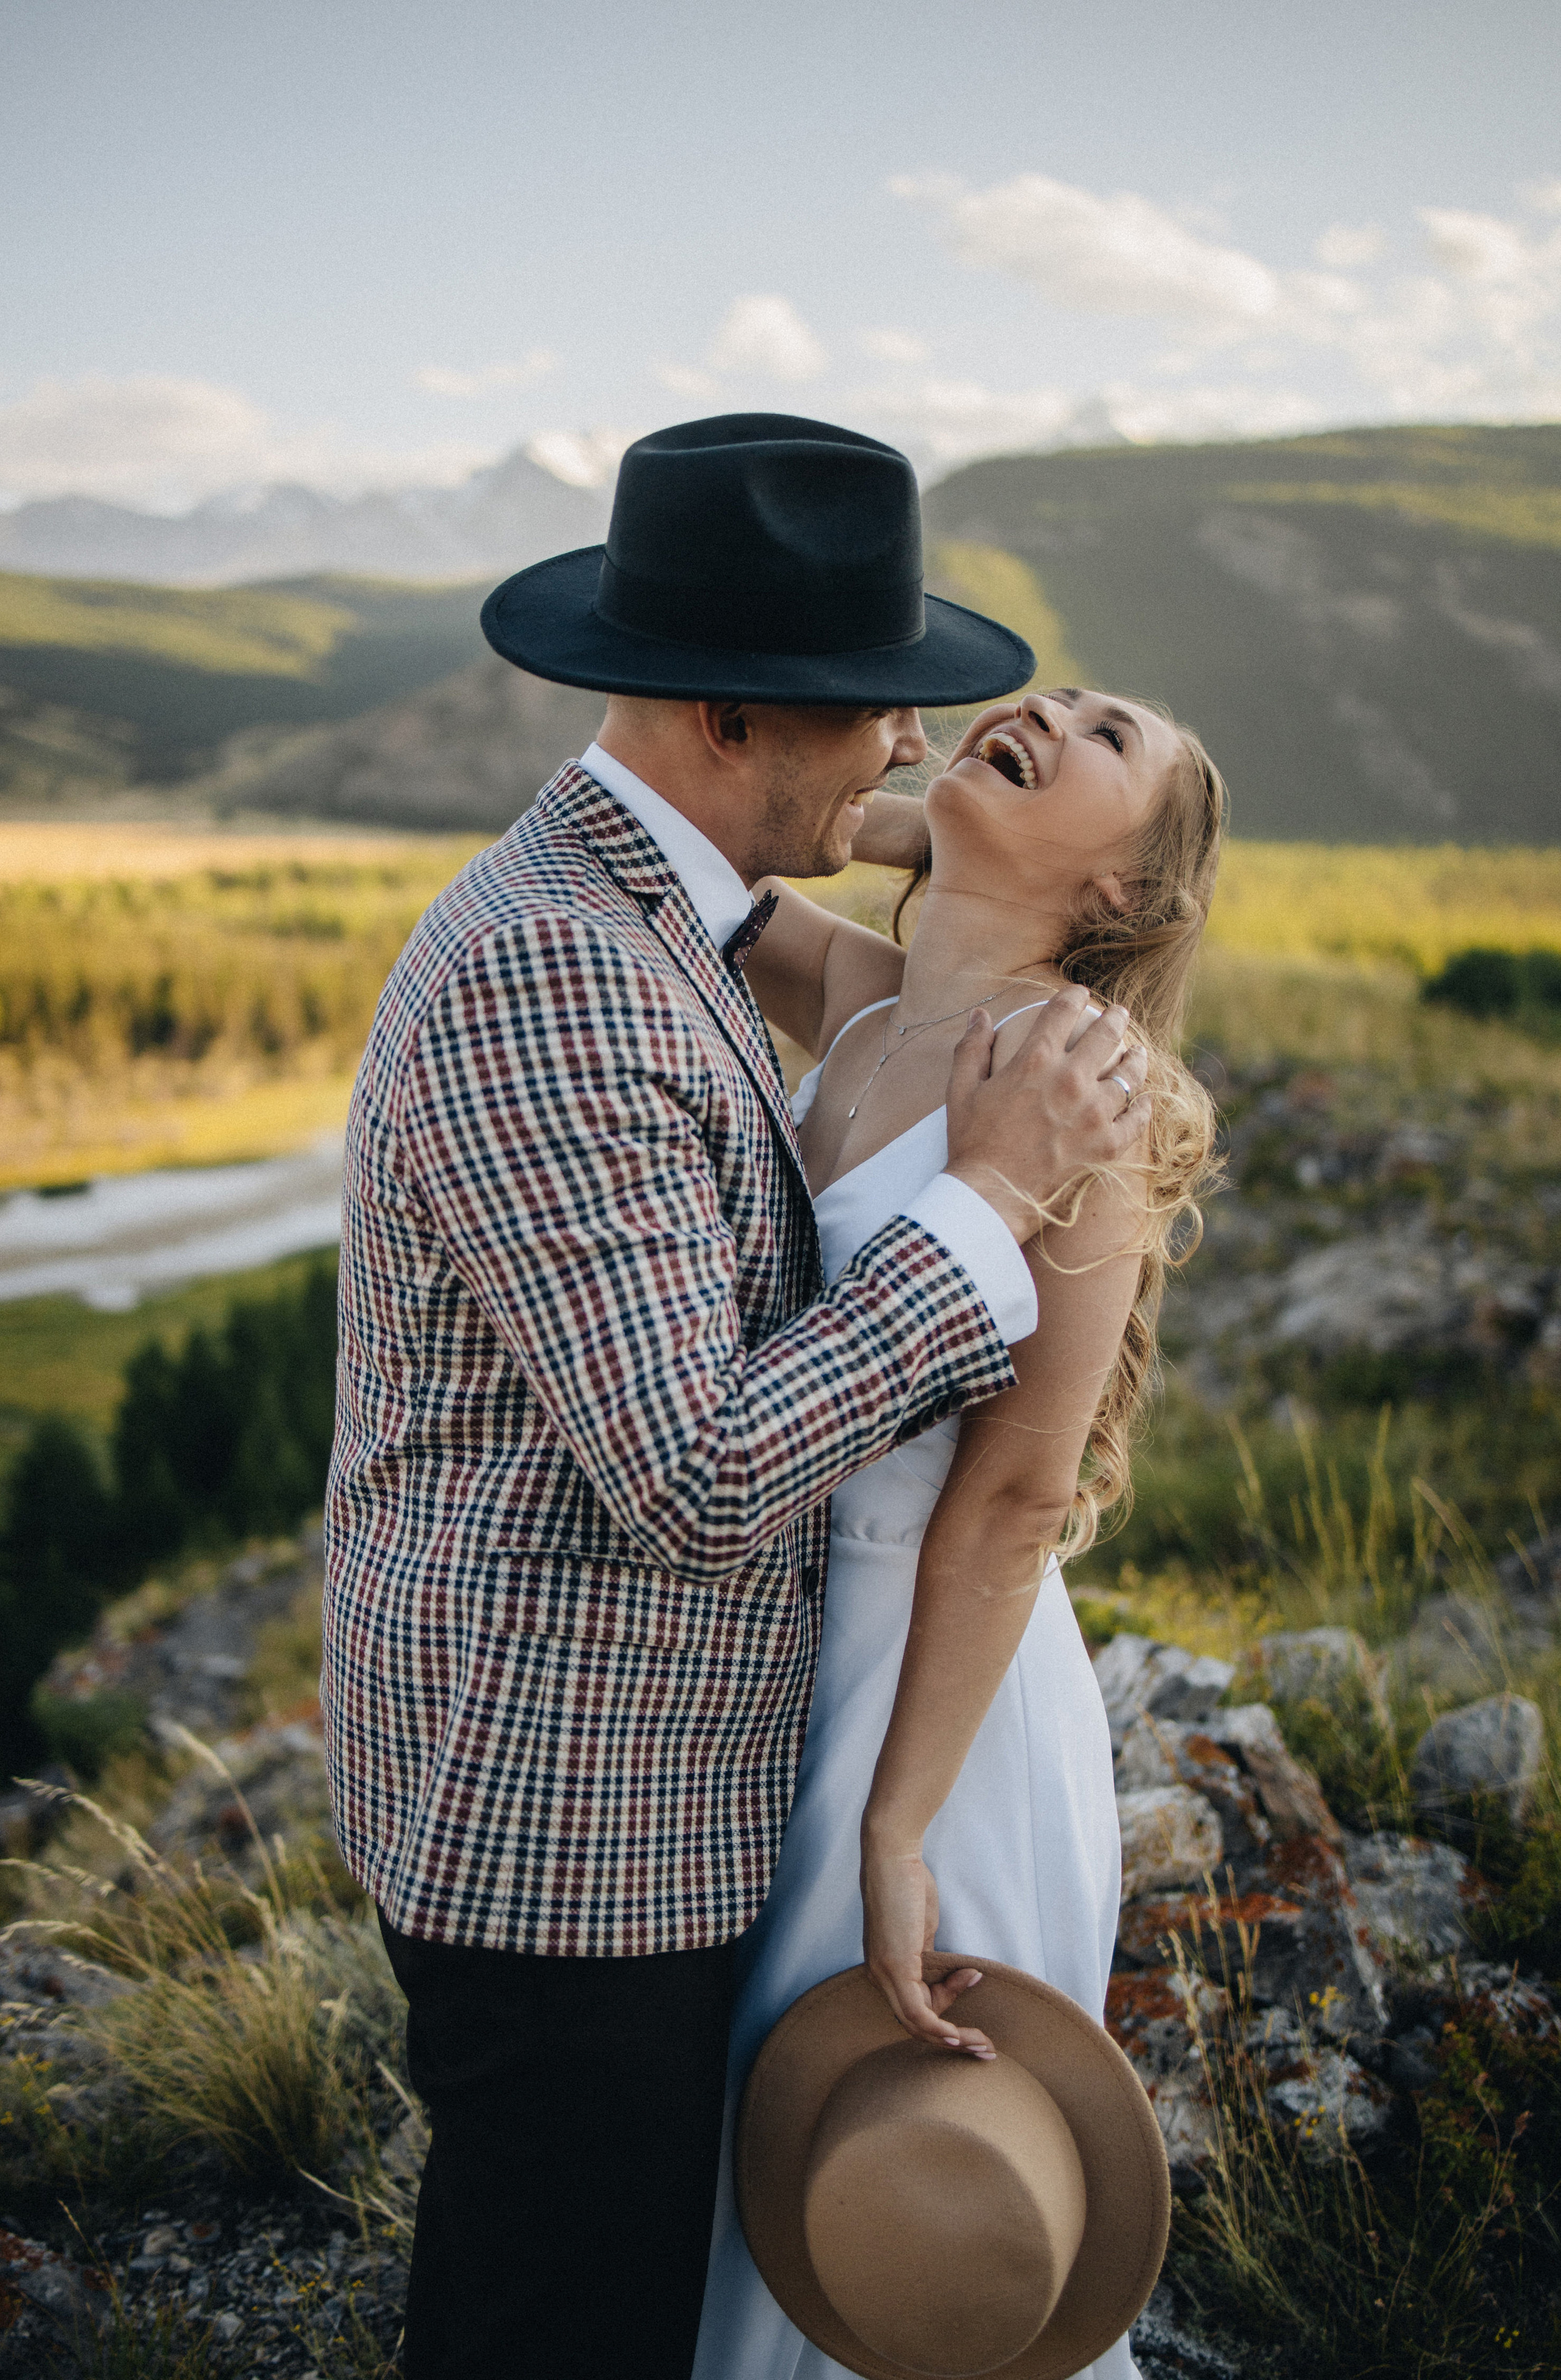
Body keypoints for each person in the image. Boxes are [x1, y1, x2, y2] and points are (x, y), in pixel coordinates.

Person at [320, 415, 1154, 2380]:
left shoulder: (648, 898)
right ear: (724, 714)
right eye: (871, 713)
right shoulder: (564, 975)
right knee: (563, 2315)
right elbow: (693, 1472)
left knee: (665, 2269)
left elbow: (802, 883)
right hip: (572, 1810)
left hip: (685, 1758)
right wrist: (984, 1202)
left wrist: (914, 839)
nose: (905, 753)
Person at [692, 684, 1226, 2380]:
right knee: (773, 2161)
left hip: (947, 1714)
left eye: (1106, 738)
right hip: (775, 1678)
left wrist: (902, 1826)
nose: (1046, 709)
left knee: (913, 2194)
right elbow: (709, 838)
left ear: (1132, 897)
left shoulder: (1089, 1084)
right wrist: (935, 822)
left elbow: (1008, 1504)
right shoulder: (866, 1007)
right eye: (1049, 699)